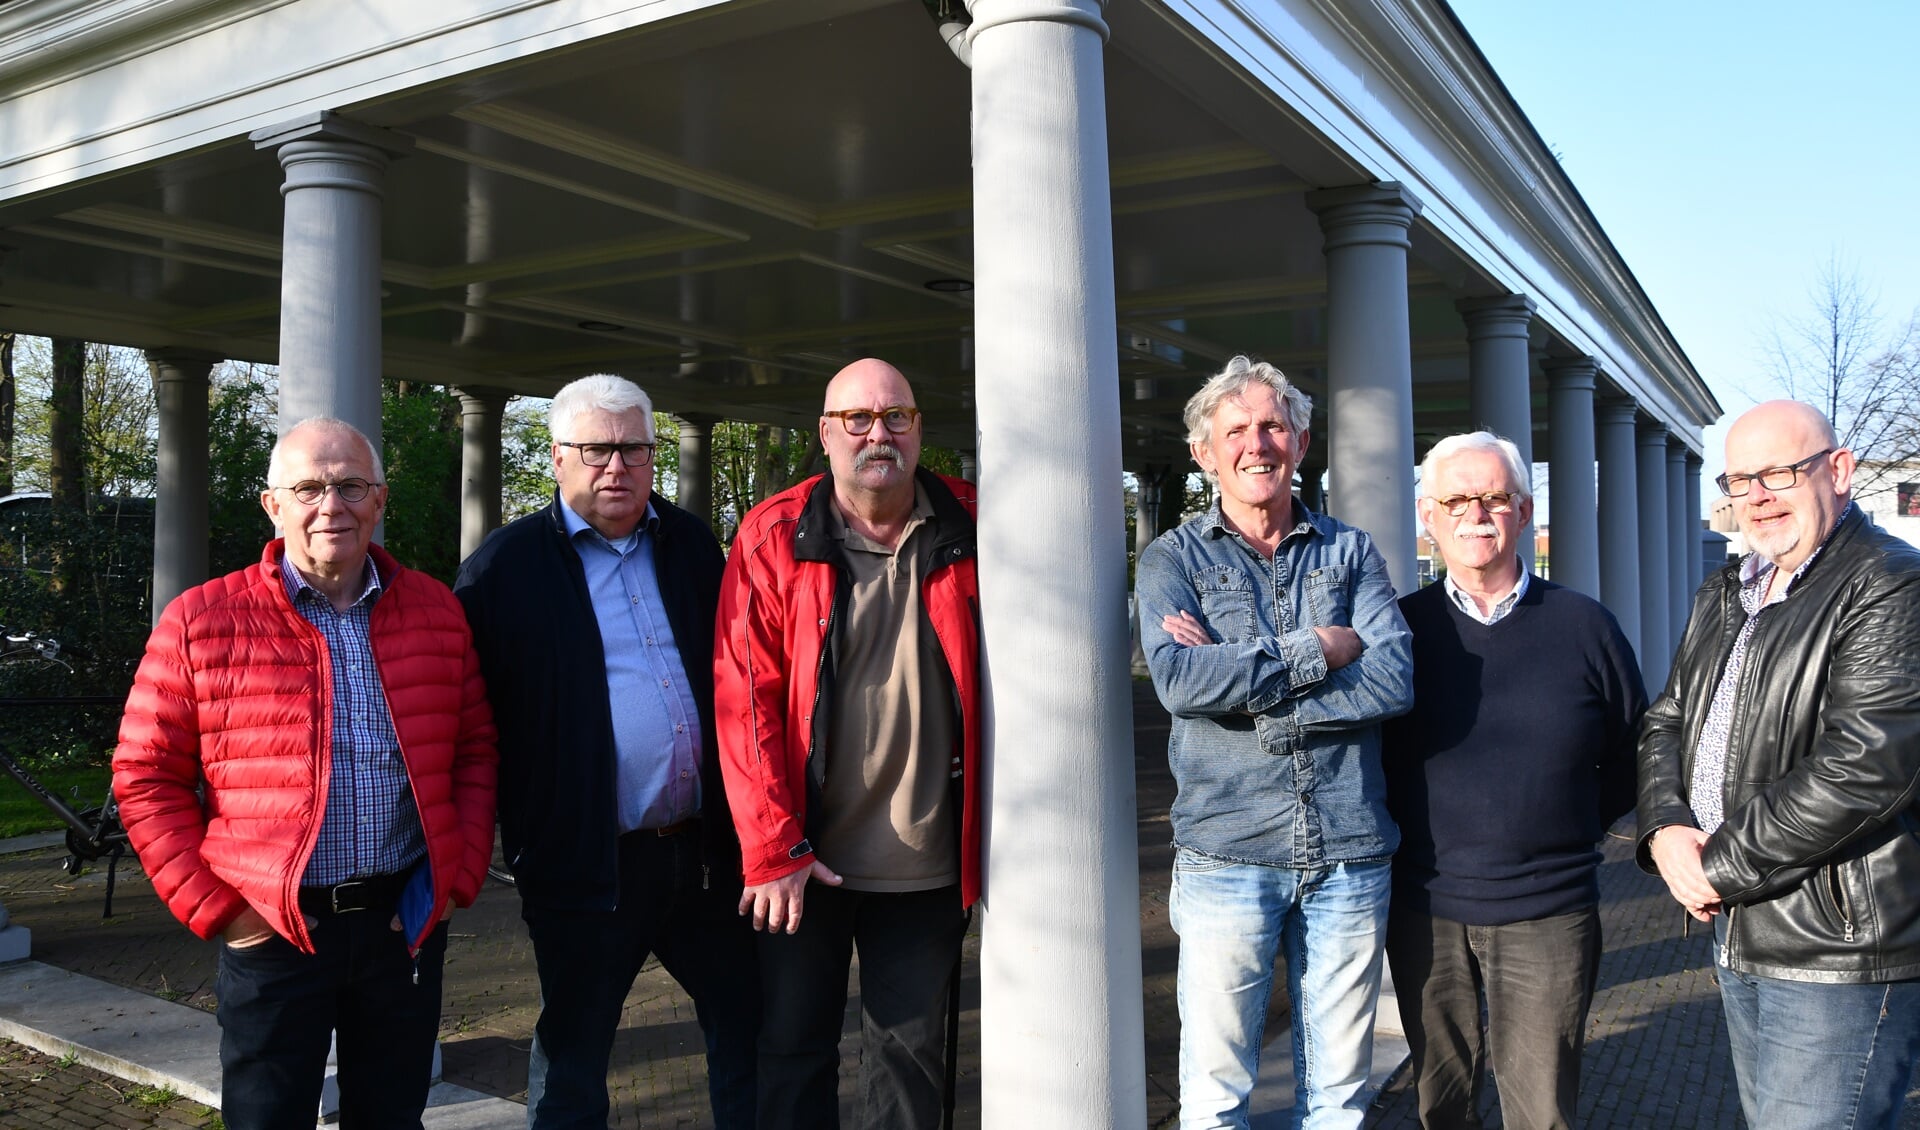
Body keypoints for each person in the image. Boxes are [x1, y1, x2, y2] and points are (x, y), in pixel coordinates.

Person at [113, 417, 498, 1130]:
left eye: (351, 486)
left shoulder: (437, 612)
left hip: (400, 922)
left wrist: (454, 882)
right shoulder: (202, 620)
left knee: (391, 1118)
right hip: (274, 927)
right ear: (274, 504)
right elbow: (145, 775)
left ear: (379, 499)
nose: (332, 506)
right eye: (310, 487)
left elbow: (474, 752)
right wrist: (222, 911)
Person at [453, 374, 758, 1129]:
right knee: (575, 1058)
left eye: (632, 449)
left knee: (752, 1031)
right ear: (558, 457)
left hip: (707, 855)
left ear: (653, 454)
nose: (615, 467)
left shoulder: (689, 543)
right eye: (596, 450)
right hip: (588, 864)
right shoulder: (503, 570)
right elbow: (465, 721)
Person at [1136, 355, 1414, 1130]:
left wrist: (1253, 696)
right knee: (1216, 1096)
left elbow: (1394, 681)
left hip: (1350, 856)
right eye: (1236, 431)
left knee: (1337, 1098)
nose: (1257, 443)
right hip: (1227, 856)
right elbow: (1180, 686)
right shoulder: (1173, 560)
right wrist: (1319, 649)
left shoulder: (1349, 552)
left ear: (1301, 439)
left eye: (1273, 425)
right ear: (1204, 452)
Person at [1638, 400, 1920, 1130]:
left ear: (1840, 471)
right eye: (1739, 480)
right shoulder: (1728, 590)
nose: (1756, 497)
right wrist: (1667, 826)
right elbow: (1668, 718)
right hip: (1741, 925)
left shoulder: (1891, 584)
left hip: (1836, 946)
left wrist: (1716, 866)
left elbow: (1864, 767)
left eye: (1778, 474)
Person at [714, 357, 979, 1130]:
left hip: (927, 863)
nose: (879, 434)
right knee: (794, 1053)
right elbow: (744, 702)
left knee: (911, 1069)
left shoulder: (973, 525)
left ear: (920, 429)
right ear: (826, 433)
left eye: (896, 416)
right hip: (804, 863)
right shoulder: (772, 536)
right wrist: (772, 849)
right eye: (858, 419)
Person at [1381, 431, 1645, 1130]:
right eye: (1456, 499)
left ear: (1523, 513)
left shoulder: (1584, 626)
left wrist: (1576, 822)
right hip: (1423, 912)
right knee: (1441, 1107)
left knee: (1542, 1113)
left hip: (1548, 911)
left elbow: (1639, 745)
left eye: (1495, 498)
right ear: (1427, 518)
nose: (1476, 514)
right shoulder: (1397, 633)